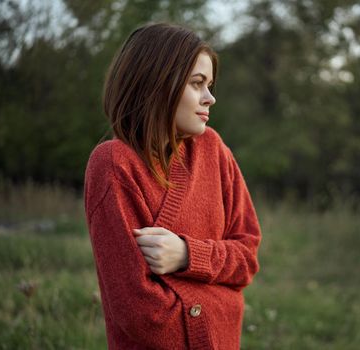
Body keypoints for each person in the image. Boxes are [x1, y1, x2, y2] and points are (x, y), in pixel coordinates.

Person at [84, 23, 261, 350]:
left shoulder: (214, 150)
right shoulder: (113, 163)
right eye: (197, 84)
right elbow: (140, 311)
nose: (211, 97)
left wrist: (187, 255)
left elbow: (246, 257)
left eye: (210, 84)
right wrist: (222, 303)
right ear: (156, 83)